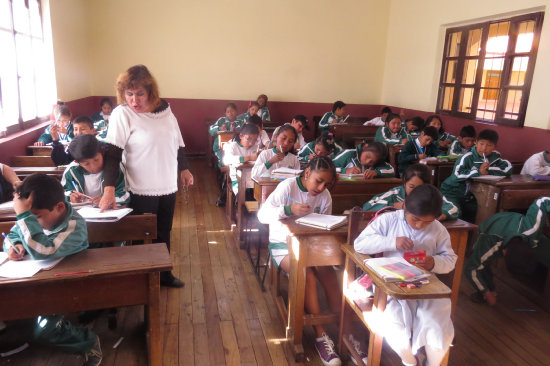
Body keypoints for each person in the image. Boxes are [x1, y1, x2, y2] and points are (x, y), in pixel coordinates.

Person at [99, 64, 194, 288]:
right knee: (143, 235)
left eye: (139, 93)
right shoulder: (122, 114)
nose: (134, 100)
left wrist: (185, 168)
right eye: (128, 94)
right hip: (140, 187)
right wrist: (108, 190)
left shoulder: (166, 112)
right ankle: (142, 281)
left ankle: (163, 274)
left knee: (164, 231)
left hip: (168, 184)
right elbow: (112, 155)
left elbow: (178, 143)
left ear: (151, 92)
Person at [3, 174, 102, 366]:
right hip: (33, 282)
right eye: (30, 217)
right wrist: (14, 245)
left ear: (59, 207)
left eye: (37, 217)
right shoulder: (36, 215)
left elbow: (44, 250)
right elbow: (15, 232)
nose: (33, 221)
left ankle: (87, 342)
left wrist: (24, 216)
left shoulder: (75, 226)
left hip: (64, 287)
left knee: (45, 330)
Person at [354, 185, 457, 366]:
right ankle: (411, 361)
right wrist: (391, 242)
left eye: (426, 222)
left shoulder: (438, 229)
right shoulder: (389, 220)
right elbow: (360, 244)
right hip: (391, 287)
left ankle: (433, 364)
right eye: (415, 219)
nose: (419, 225)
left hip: (426, 286)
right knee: (393, 326)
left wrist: (433, 262)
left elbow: (450, 259)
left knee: (436, 323)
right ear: (405, 207)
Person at [257, 156, 343, 366]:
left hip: (312, 245)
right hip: (282, 244)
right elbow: (262, 215)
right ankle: (320, 335)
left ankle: (344, 330)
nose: (321, 187)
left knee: (330, 275)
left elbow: (325, 224)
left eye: (326, 184)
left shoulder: (325, 196)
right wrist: (288, 210)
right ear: (307, 174)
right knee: (308, 277)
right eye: (318, 181)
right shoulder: (287, 187)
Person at [465, 197, 550, 305]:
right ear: (504, 252)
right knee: (480, 265)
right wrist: (487, 293)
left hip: (519, 230)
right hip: (492, 227)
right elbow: (471, 269)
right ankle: (487, 290)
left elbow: (543, 201)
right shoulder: (488, 244)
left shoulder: (532, 229)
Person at [440, 129, 512, 220]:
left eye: (489, 145)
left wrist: (488, 171)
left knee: (483, 212)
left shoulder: (495, 157)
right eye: (481, 144)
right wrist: (478, 172)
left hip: (470, 196)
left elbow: (508, 169)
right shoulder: (467, 157)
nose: (484, 148)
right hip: (452, 192)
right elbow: (456, 175)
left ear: (495, 146)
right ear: (476, 143)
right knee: (454, 211)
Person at [363, 163, 459, 220]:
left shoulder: (432, 195)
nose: (415, 192)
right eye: (411, 186)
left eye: (420, 187)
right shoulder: (396, 194)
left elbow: (454, 208)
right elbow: (368, 206)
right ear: (405, 183)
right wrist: (394, 205)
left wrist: (441, 215)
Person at [62, 134, 129, 207]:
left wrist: (107, 199)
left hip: (109, 212)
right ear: (77, 162)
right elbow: (64, 193)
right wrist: (70, 197)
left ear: (102, 152)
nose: (93, 166)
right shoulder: (71, 171)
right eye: (86, 164)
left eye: (96, 160)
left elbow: (125, 195)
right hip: (83, 213)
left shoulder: (116, 168)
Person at [223, 123, 260, 199]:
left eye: (254, 140)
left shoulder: (256, 147)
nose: (251, 143)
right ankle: (239, 209)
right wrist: (248, 158)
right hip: (237, 180)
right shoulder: (233, 146)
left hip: (253, 179)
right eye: (248, 139)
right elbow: (226, 160)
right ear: (241, 136)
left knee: (258, 195)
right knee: (242, 195)